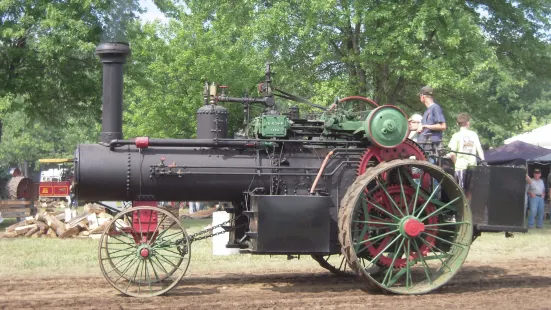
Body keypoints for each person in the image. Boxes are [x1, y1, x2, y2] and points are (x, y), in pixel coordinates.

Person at [447, 113, 485, 190]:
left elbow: (452, 154)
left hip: (460, 167)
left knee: (460, 190)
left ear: (457, 124)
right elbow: (479, 150)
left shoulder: (456, 135)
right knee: (471, 190)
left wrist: (456, 163)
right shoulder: (474, 134)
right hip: (472, 166)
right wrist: (483, 161)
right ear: (468, 123)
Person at [416, 86, 447, 154]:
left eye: (420, 96)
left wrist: (425, 126)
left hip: (432, 148)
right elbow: (423, 126)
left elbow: (443, 126)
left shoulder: (435, 108)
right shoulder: (427, 111)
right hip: (424, 147)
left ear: (423, 96)